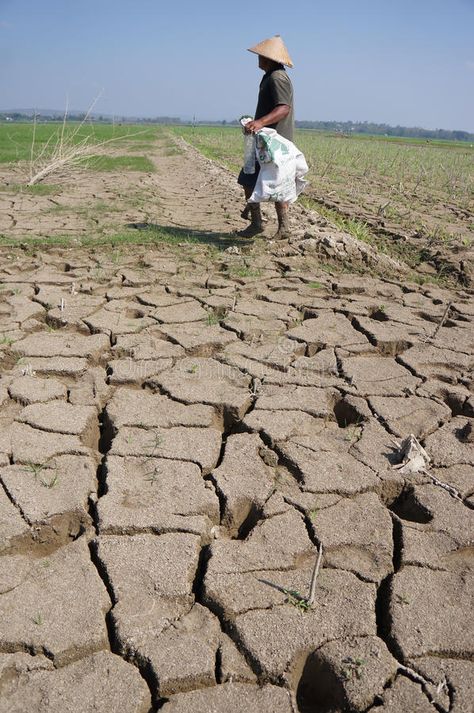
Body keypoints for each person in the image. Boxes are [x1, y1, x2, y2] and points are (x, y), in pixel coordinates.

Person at [237, 35, 294, 240]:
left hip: (275, 141)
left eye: (261, 55)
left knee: (271, 181)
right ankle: (257, 223)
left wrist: (260, 122)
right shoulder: (270, 76)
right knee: (249, 177)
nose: (258, 59)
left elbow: (283, 108)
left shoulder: (278, 77)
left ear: (269, 58)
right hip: (264, 139)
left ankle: (279, 226)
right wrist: (255, 123)